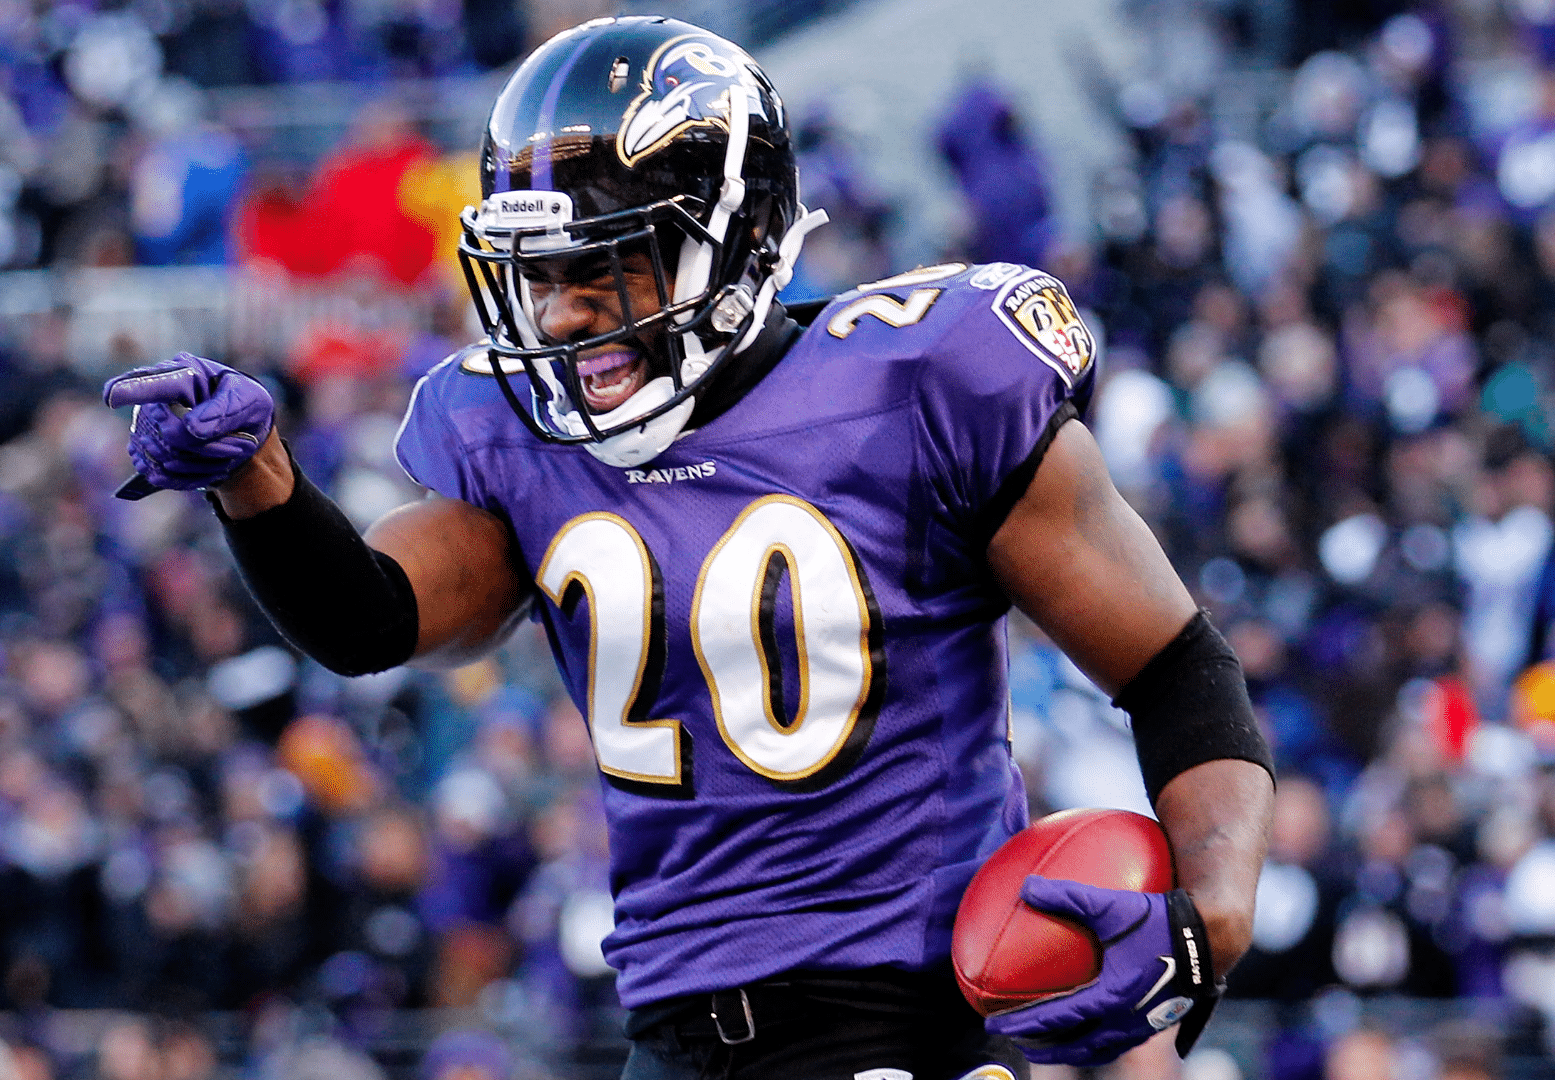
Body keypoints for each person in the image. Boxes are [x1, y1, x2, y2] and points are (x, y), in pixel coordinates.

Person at [103, 16, 1275, 1080]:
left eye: (602, 267)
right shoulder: (520, 436)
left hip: (917, 1014)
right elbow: (370, 619)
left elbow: (1174, 665)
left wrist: (1210, 915)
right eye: (539, 275)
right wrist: (260, 486)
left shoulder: (922, 386)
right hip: (672, 1035)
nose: (560, 315)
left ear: (740, 234)